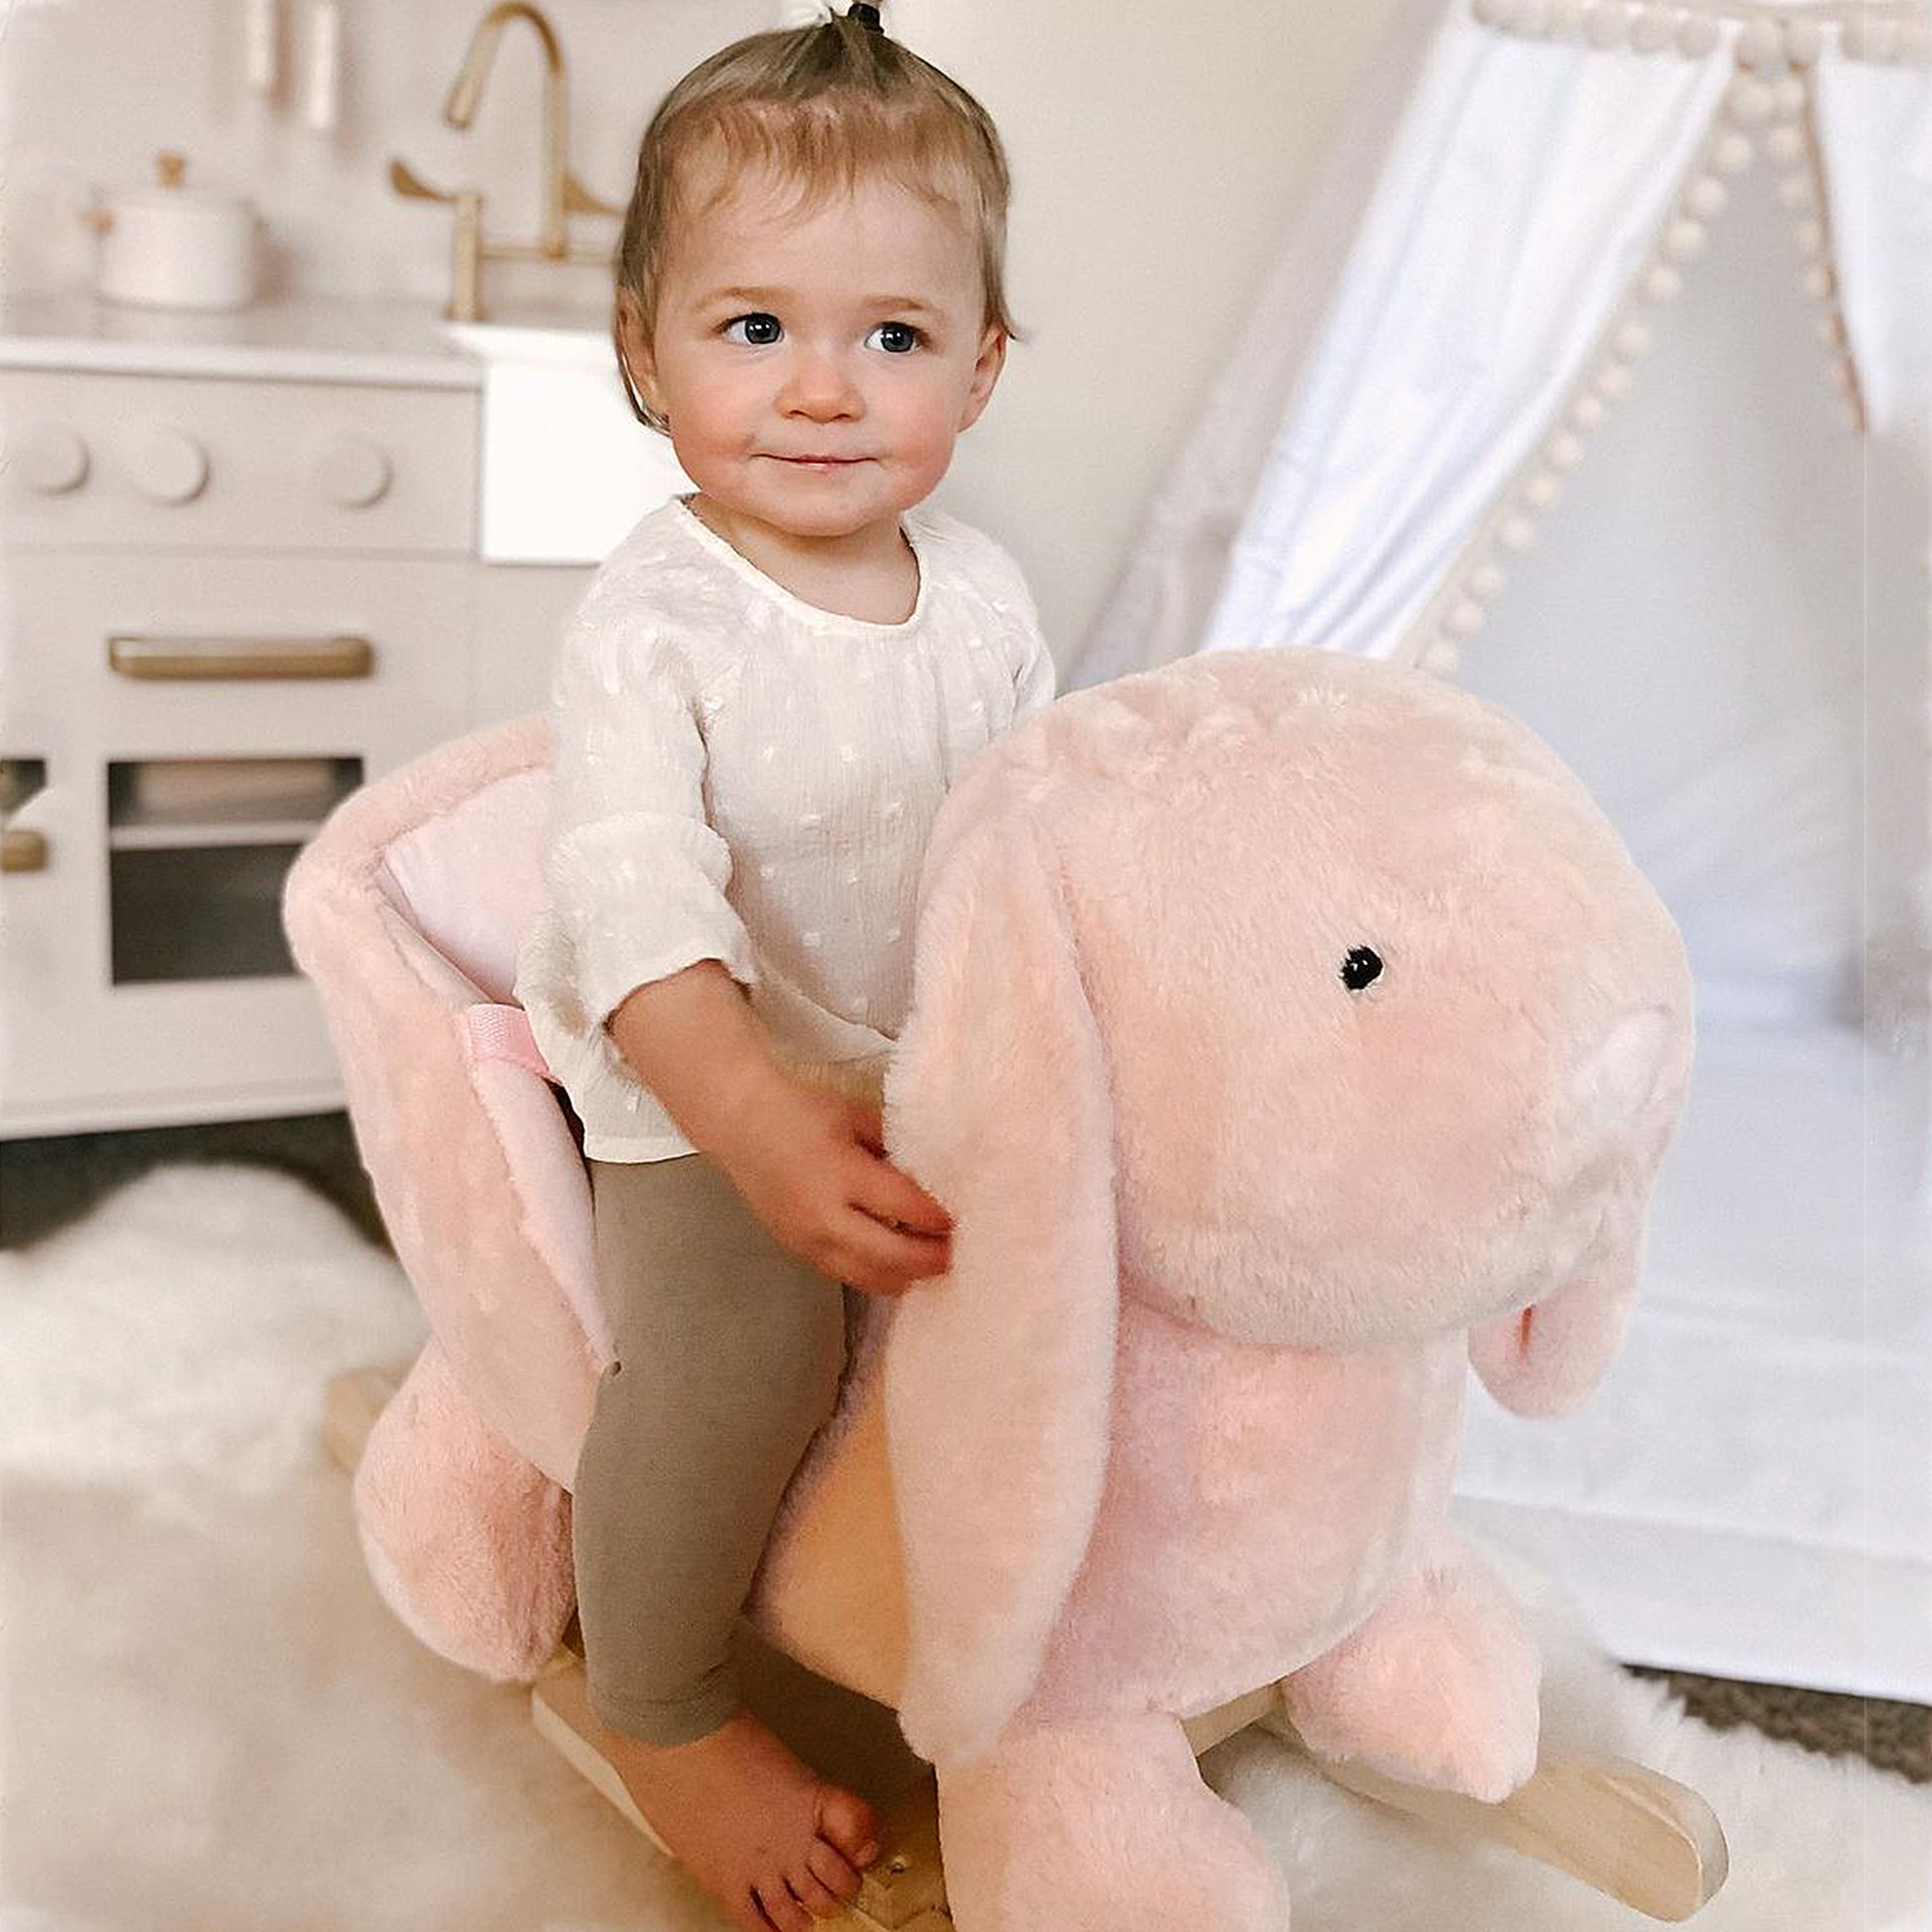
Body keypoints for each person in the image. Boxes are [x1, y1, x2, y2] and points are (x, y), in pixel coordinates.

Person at [513, 8, 1054, 1928]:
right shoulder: (653, 623)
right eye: (753, 328)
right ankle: (663, 1699)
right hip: (701, 1074)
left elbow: (1032, 835)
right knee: (745, 1353)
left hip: (919, 1051)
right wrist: (749, 1122)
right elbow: (636, 903)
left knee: (1083, 1294)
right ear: (643, 354)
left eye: (891, 338)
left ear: (979, 367)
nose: (822, 391)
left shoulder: (980, 593)